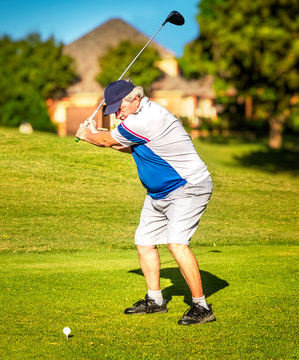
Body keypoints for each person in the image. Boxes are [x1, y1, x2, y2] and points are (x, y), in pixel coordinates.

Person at [76, 80, 216, 325]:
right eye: (114, 110)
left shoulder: (147, 118)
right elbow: (125, 146)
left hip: (188, 187)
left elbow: (109, 141)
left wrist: (89, 135)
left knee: (176, 244)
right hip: (159, 193)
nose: (117, 114)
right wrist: (96, 135)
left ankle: (202, 307)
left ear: (135, 99)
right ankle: (156, 301)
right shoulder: (136, 119)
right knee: (144, 241)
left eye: (120, 107)